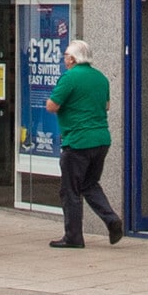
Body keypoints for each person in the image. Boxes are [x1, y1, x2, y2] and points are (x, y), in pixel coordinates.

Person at [46, 38, 123, 249]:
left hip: (77, 140)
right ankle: (111, 219)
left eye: (65, 57)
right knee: (89, 184)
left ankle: (73, 237)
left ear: (72, 58)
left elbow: (52, 106)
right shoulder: (101, 78)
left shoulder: (69, 77)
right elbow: (106, 105)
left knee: (70, 190)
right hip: (101, 140)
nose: (64, 60)